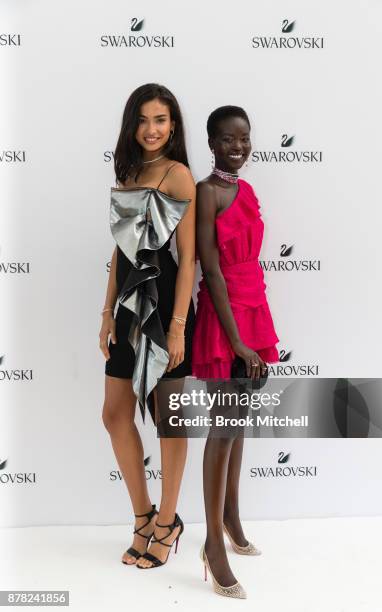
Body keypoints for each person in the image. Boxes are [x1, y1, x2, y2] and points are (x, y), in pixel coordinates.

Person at [100, 83, 196, 569]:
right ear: (131, 125)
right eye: (142, 120)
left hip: (166, 311)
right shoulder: (128, 173)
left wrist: (178, 326)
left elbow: (188, 258)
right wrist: (106, 314)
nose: (151, 129)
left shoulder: (180, 176)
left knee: (169, 418)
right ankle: (143, 516)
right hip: (128, 310)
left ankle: (169, 521)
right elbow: (120, 252)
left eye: (160, 120)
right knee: (115, 412)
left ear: (173, 125)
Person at [192, 105, 279, 598]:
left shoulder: (246, 190)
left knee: (239, 423)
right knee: (222, 430)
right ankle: (212, 545)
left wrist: (256, 332)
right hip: (226, 319)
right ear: (212, 143)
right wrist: (238, 341)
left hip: (254, 308)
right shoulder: (207, 193)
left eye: (244, 138)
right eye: (227, 139)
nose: (238, 147)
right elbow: (212, 268)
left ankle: (232, 518)